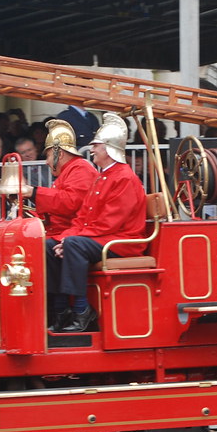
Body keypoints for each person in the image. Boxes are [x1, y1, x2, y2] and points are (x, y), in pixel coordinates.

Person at [45, 113, 146, 333]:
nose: (91, 149)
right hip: (104, 237)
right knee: (49, 246)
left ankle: (82, 310)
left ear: (109, 149)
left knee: (73, 245)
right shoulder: (104, 176)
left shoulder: (124, 178)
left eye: (96, 145)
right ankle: (61, 309)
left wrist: (71, 240)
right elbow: (83, 217)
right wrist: (63, 238)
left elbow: (109, 224)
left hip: (123, 241)